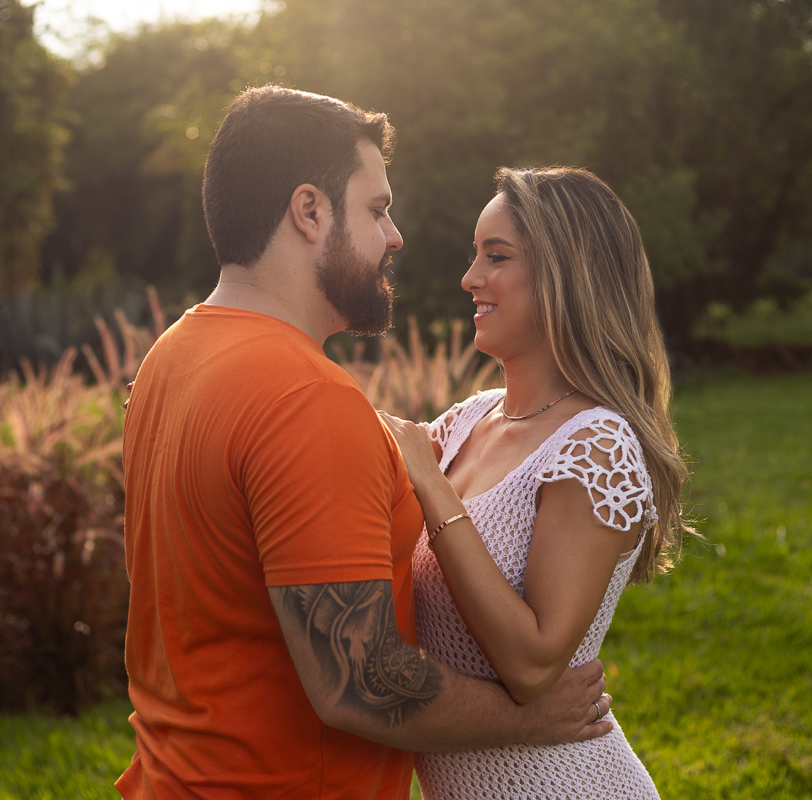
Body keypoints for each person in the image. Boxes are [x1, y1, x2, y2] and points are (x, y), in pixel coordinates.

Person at [117, 88, 614, 799]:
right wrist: (527, 718)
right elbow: (360, 683)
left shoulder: (170, 358)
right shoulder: (305, 397)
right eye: (377, 209)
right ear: (310, 210)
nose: (395, 236)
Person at [379, 166, 693, 799]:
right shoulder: (469, 420)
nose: (470, 278)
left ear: (565, 278)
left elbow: (532, 666)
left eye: (496, 256)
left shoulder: (597, 447)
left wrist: (431, 487)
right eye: (475, 256)